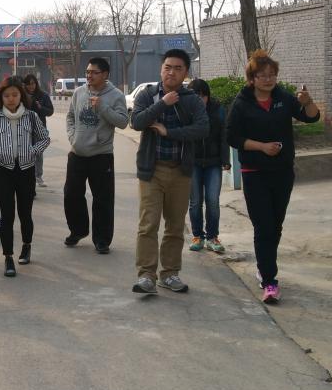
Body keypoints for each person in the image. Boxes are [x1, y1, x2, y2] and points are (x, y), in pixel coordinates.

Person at [225, 50, 320, 304]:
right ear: (252, 78)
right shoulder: (242, 103)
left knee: (275, 225)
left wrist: (308, 101)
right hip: (254, 173)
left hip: (282, 172)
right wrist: (261, 147)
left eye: (272, 75)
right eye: (262, 75)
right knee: (263, 226)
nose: (268, 79)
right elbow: (232, 137)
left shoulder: (284, 98)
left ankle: (264, 265)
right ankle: (269, 281)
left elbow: (311, 118)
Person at [130, 50, 209, 295]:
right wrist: (162, 103)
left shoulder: (192, 100)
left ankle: (170, 274)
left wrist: (169, 132)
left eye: (177, 68)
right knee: (148, 225)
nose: (171, 72)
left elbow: (202, 129)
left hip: (180, 172)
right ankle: (146, 276)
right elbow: (136, 122)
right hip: (151, 171)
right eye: (167, 67)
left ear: (186, 72)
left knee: (175, 227)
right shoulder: (148, 95)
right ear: (161, 69)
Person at [0, 77, 50, 276]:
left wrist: (33, 151)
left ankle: (26, 246)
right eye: (7, 95)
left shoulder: (31, 117)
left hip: (26, 170)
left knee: (25, 213)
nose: (11, 99)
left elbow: (45, 138)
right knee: (7, 215)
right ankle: (8, 257)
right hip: (3, 171)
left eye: (15, 95)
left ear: (21, 96)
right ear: (1, 97)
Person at [63, 57, 129, 253]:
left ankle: (102, 240)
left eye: (94, 72)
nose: (89, 76)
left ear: (105, 74)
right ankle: (78, 230)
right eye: (87, 72)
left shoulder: (116, 95)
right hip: (77, 153)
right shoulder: (79, 92)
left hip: (101, 156)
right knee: (71, 195)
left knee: (103, 199)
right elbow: (70, 117)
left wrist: (102, 107)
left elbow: (123, 122)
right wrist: (73, 137)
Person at [187, 78, 230, 254]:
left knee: (213, 201)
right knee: (195, 201)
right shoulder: (186, 111)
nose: (200, 100)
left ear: (208, 96)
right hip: (193, 163)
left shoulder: (218, 110)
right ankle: (198, 236)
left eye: (202, 96)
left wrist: (225, 159)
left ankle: (213, 237)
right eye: (196, 97)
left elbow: (224, 136)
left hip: (213, 163)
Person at [23, 74, 54, 188]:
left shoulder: (43, 95)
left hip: (39, 129)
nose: (31, 86)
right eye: (28, 84)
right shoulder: (21, 96)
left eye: (33, 83)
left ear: (36, 84)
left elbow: (50, 111)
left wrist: (41, 107)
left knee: (38, 153)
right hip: (25, 129)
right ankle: (28, 176)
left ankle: (38, 176)